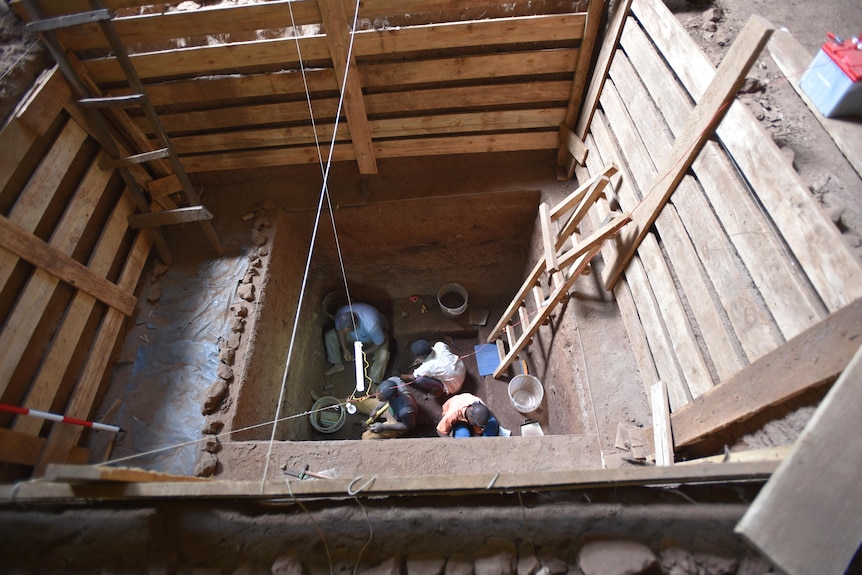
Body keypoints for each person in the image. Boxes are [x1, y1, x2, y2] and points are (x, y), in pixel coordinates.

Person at [324, 302, 389, 384]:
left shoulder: (371, 325)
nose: (344, 332)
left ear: (355, 325)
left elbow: (379, 343)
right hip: (357, 335)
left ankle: (374, 382)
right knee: (330, 336)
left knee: (382, 357)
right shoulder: (341, 315)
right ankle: (337, 364)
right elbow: (339, 331)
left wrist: (362, 353)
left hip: (374, 336)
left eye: (347, 330)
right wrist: (345, 349)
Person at [401, 339, 465, 397]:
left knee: (420, 379)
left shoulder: (426, 367)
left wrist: (399, 376)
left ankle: (442, 389)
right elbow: (449, 352)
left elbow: (411, 377)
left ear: (422, 356)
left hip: (455, 385)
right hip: (462, 369)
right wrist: (423, 360)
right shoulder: (440, 345)